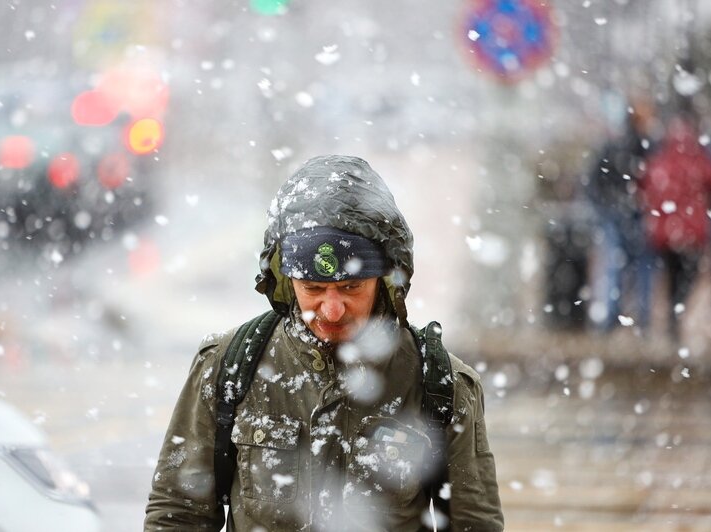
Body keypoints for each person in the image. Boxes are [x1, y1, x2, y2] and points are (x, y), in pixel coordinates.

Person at [144, 155, 504, 531]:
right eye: (312, 288)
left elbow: (474, 523)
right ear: (285, 281)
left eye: (351, 288)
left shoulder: (439, 383)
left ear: (385, 282)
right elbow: (178, 513)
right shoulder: (229, 366)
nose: (331, 310)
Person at [640, 114, 711, 340]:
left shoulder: (660, 160)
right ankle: (677, 309)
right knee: (688, 274)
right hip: (692, 233)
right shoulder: (700, 160)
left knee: (671, 274)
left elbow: (646, 189)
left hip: (665, 234)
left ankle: (672, 314)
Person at [585, 98, 654, 332]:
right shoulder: (647, 147)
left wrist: (604, 206)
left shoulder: (614, 144)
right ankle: (642, 320)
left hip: (617, 212)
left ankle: (611, 319)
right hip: (634, 213)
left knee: (614, 265)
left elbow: (593, 181)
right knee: (641, 267)